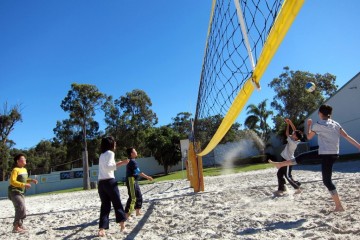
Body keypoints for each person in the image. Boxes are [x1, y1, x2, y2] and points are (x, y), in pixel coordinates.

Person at [269, 105, 360, 211]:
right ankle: (280, 164)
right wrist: (358, 146)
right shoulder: (336, 124)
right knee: (302, 157)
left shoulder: (318, 124)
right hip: (332, 153)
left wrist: (309, 125)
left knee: (327, 181)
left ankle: (339, 206)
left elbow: (308, 137)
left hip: (325, 154)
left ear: (320, 113)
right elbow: (347, 136)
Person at [97, 136, 129, 237]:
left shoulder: (101, 155)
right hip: (110, 182)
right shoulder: (111, 153)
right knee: (117, 204)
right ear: (110, 144)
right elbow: (108, 167)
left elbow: (105, 168)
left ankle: (102, 229)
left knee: (105, 206)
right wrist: (122, 163)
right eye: (114, 143)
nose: (115, 145)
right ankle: (122, 226)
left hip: (101, 184)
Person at [271, 119, 303, 196]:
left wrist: (288, 124)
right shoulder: (295, 139)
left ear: (295, 137)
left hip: (288, 160)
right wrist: (290, 122)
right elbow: (295, 130)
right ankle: (281, 189)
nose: (293, 133)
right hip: (284, 159)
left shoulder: (292, 141)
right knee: (279, 174)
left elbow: (287, 133)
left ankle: (297, 188)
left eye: (294, 134)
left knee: (287, 176)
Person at [8, 153, 38, 233]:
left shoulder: (24, 170)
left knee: (23, 209)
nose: (25, 160)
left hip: (21, 192)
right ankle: (16, 227)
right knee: (21, 207)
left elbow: (24, 179)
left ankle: (20, 225)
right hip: (14, 191)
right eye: (23, 159)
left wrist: (31, 180)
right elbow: (12, 181)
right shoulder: (15, 170)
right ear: (18, 161)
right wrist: (24, 184)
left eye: (25, 158)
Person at [125, 147, 153, 218]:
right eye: (135, 151)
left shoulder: (133, 161)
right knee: (132, 197)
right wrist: (147, 177)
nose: (136, 152)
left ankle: (138, 211)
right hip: (131, 180)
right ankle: (127, 214)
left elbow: (137, 172)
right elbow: (138, 172)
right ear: (131, 154)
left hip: (134, 180)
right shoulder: (132, 161)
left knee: (139, 195)